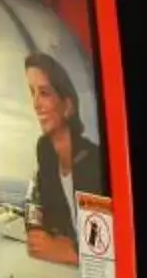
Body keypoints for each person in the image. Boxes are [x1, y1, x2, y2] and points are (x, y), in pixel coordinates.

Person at [24, 51, 108, 266]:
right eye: (32, 92)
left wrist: (71, 251)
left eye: (44, 93)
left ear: (68, 106)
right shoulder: (45, 149)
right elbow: (40, 206)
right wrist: (40, 232)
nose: (35, 103)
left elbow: (104, 244)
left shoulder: (93, 159)